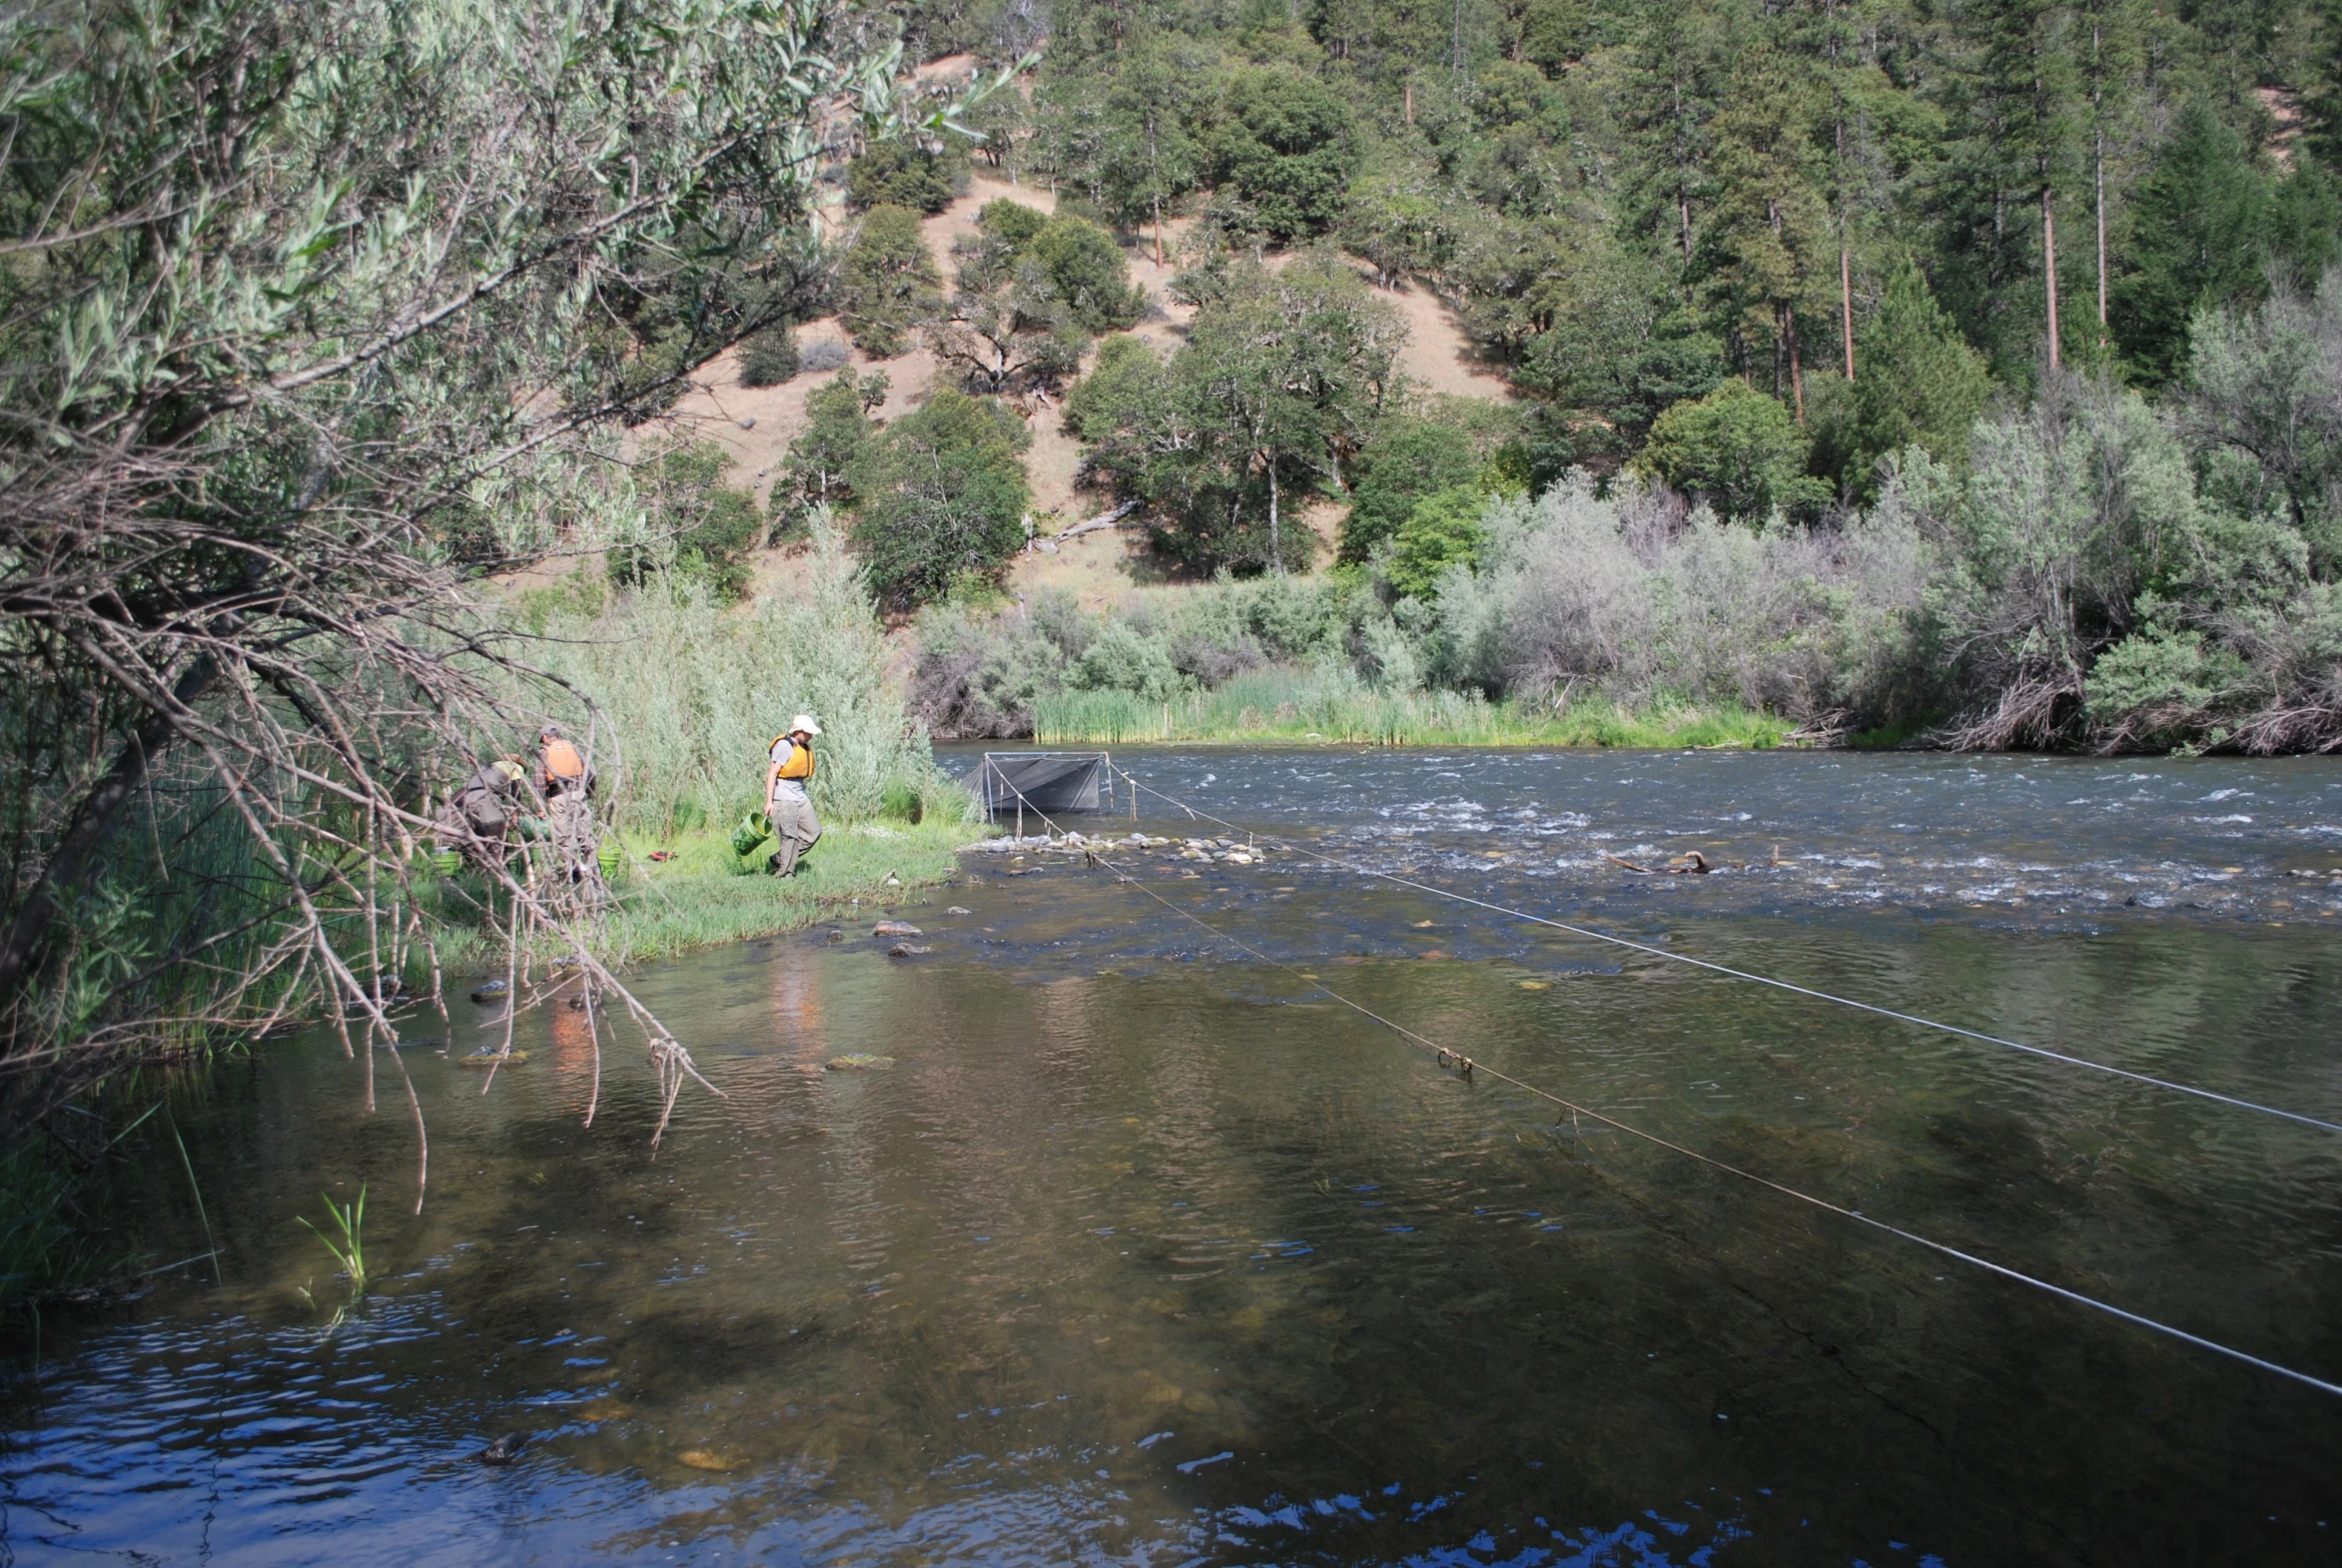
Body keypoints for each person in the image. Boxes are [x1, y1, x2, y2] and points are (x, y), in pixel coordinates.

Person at [533, 724, 601, 894]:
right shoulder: (573, 748)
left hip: (558, 798)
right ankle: (594, 875)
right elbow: (591, 773)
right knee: (586, 837)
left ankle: (573, 877)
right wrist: (589, 792)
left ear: (544, 737)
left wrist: (539, 807)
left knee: (565, 840)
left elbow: (539, 783)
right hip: (579, 795)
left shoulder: (544, 753)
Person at [433, 759, 527, 869]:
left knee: (452, 841)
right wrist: (515, 813)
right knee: (497, 841)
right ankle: (500, 875)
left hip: (463, 803)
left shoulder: (486, 768)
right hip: (486, 799)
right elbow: (516, 790)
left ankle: (445, 876)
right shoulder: (516, 766)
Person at [764, 714, 823, 877]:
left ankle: (780, 858)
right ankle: (785, 874)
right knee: (789, 836)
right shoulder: (784, 746)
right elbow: (772, 774)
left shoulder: (803, 747)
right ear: (798, 731)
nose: (811, 736)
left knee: (814, 832)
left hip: (800, 797)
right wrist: (769, 802)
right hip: (784, 799)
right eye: (808, 732)